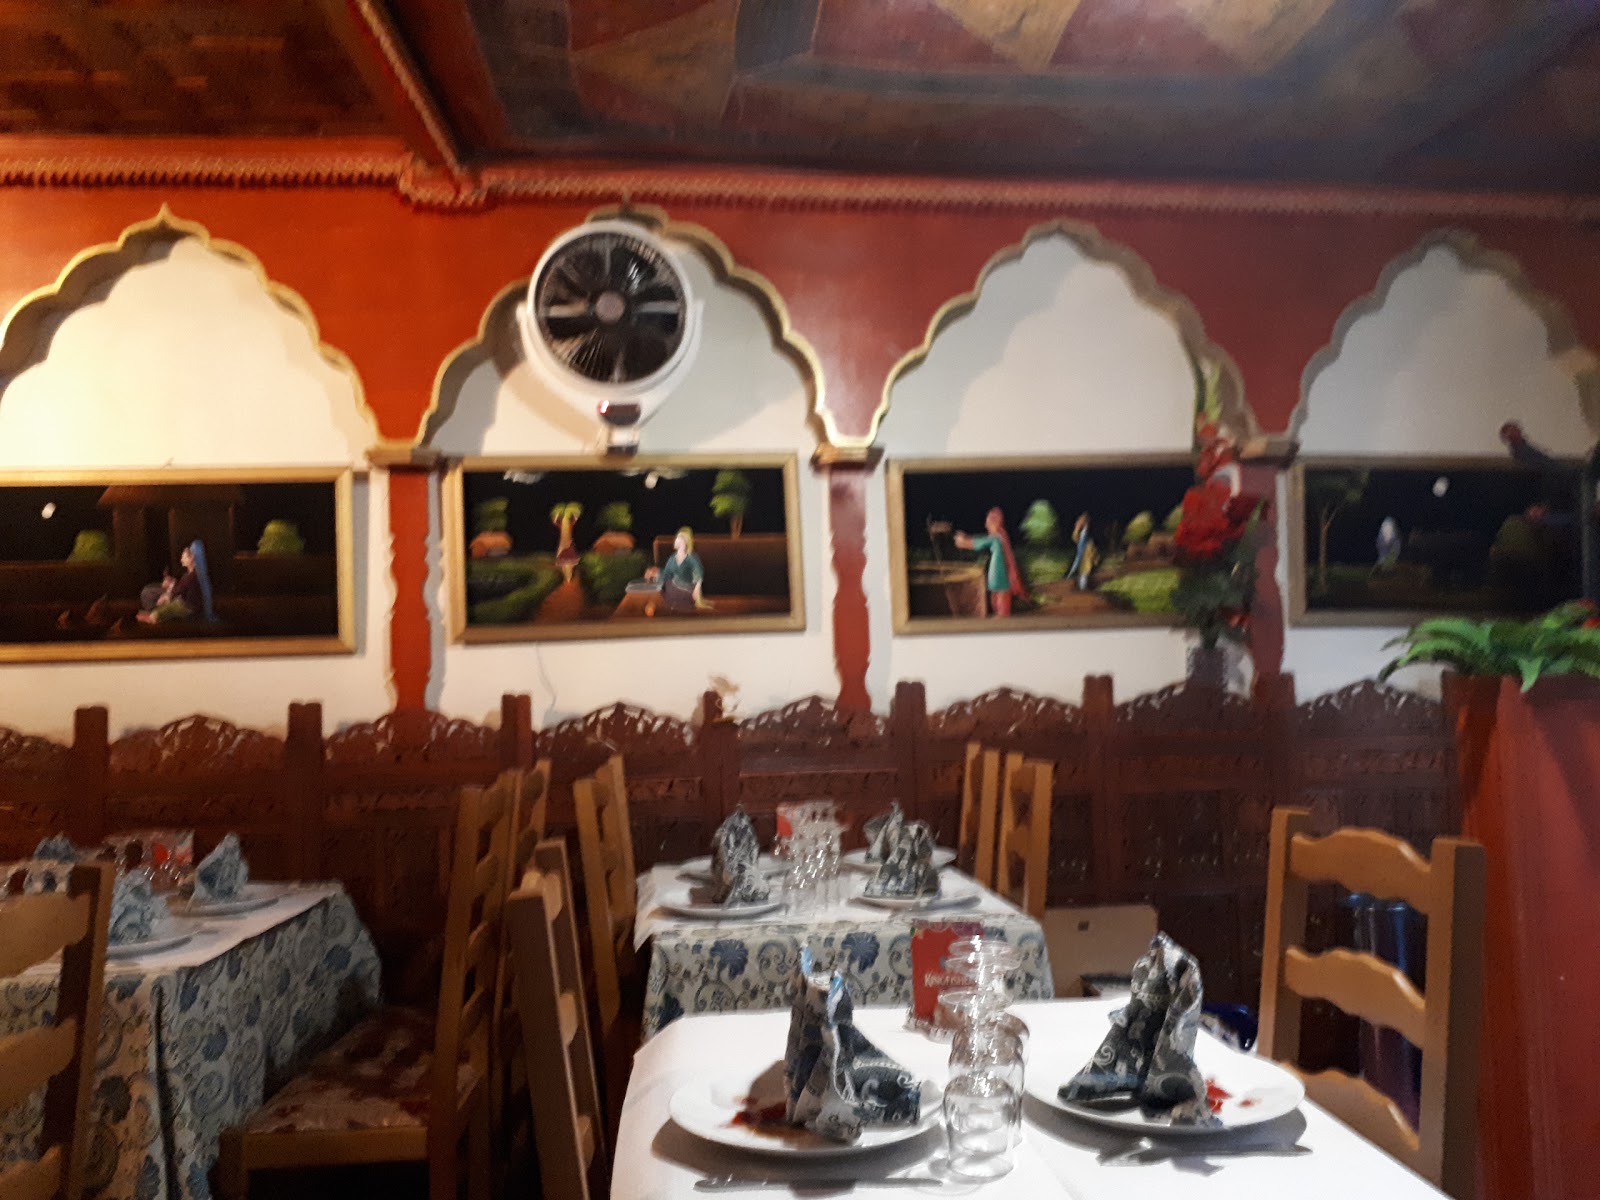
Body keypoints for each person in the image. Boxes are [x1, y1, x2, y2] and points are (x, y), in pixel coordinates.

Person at [954, 507, 1029, 616]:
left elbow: (981, 542)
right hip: (998, 577)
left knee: (1001, 601)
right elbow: (982, 541)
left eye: (988, 522)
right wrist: (965, 539)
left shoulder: (998, 537)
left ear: (995, 523)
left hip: (1001, 577)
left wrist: (963, 541)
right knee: (996, 598)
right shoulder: (1001, 537)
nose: (986, 525)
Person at [137, 539, 215, 624]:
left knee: (162, 611)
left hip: (187, 607)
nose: (181, 560)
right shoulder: (190, 574)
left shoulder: (192, 577)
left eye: (184, 557)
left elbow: (179, 589)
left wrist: (167, 594)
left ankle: (152, 617)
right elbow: (181, 586)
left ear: (192, 558)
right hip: (183, 601)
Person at [645, 526, 708, 611]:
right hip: (672, 589)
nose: (680, 542)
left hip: (687, 590)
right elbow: (667, 574)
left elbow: (698, 573)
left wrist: (697, 588)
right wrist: (655, 573)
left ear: (687, 542)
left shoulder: (692, 558)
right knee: (665, 586)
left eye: (683, 540)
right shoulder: (672, 558)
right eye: (679, 539)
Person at [1067, 512, 1099, 590]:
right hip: (1083, 556)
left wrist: (1095, 557)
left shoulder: (1087, 535)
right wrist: (1077, 528)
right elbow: (1075, 537)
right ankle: (1081, 587)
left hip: (1086, 556)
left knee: (1084, 572)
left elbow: (1091, 547)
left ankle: (1082, 587)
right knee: (1083, 571)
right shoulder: (1082, 534)